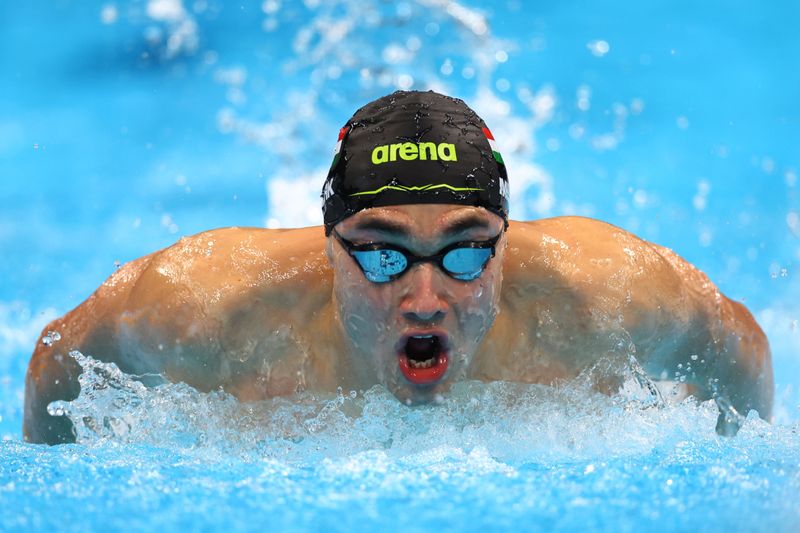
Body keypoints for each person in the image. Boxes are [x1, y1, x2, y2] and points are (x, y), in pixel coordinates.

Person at [24, 90, 773, 444]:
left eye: (465, 251)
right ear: (329, 247)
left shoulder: (607, 294)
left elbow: (741, 347)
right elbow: (55, 363)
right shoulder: (204, 306)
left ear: (506, 243)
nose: (424, 297)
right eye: (383, 255)